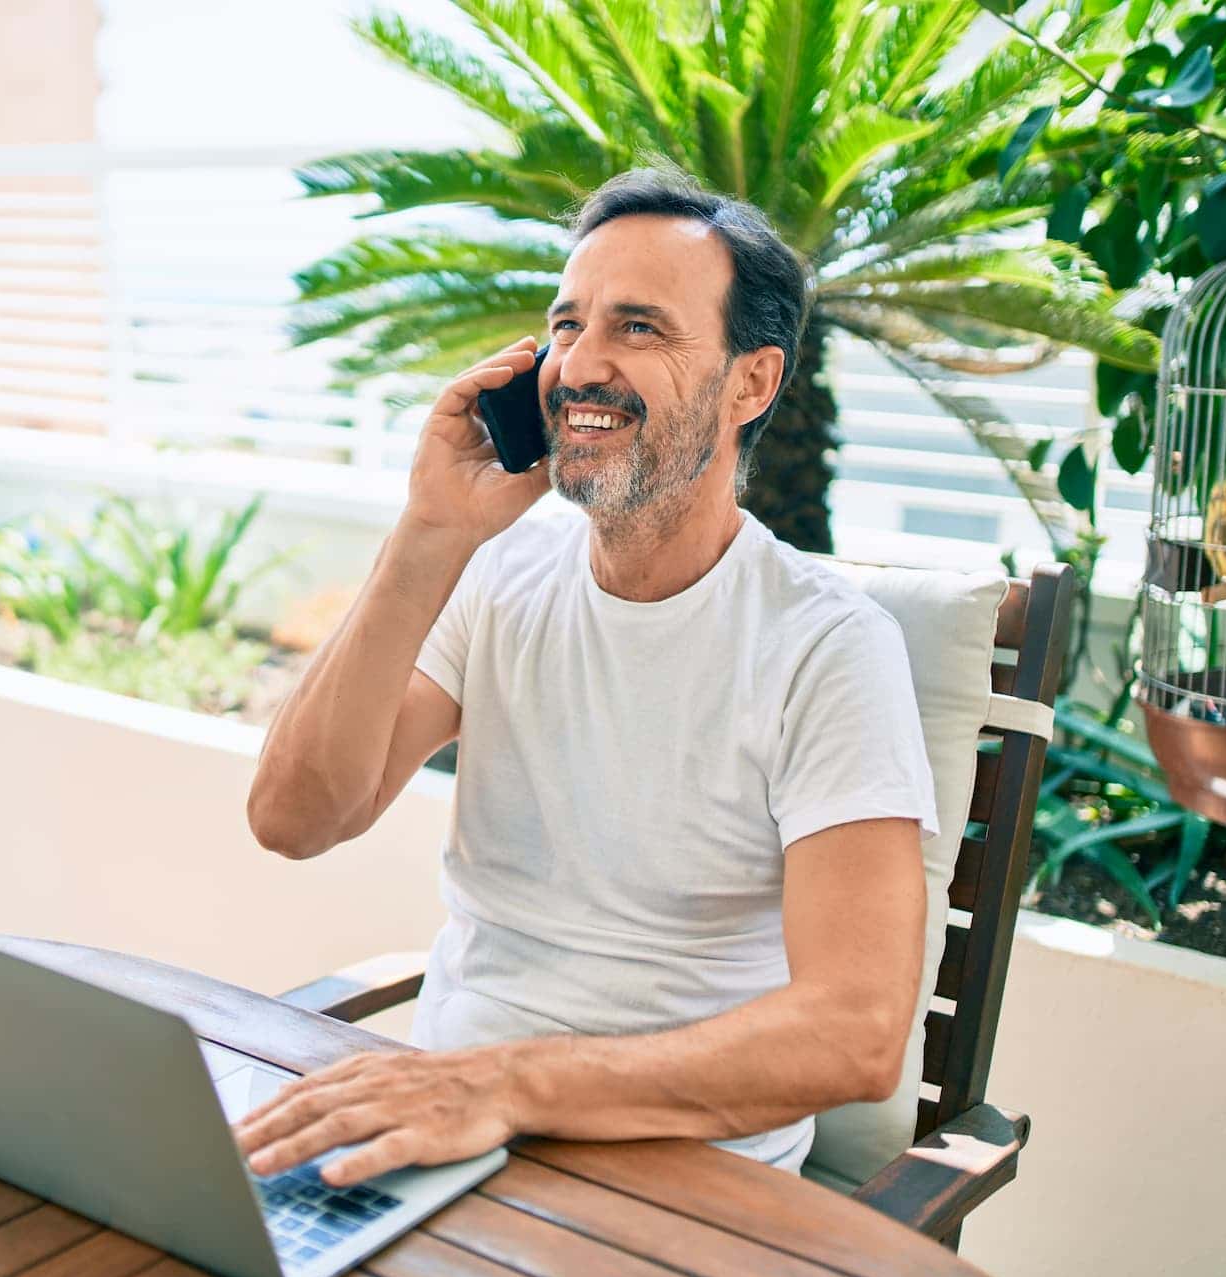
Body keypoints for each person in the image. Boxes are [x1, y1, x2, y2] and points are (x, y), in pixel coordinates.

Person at [238, 169, 937, 1187]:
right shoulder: (499, 575)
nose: (579, 364)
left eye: (640, 327)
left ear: (750, 382)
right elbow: (295, 816)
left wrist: (508, 1084)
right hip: (437, 1128)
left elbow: (855, 1032)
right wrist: (429, 531)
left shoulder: (828, 647)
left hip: (681, 1176)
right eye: (567, 325)